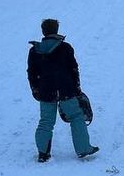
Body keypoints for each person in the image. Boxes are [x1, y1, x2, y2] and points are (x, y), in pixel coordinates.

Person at [27, 18, 99, 162]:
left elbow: (32, 73)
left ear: (43, 31)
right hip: (66, 89)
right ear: (56, 30)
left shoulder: (35, 50)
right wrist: (77, 88)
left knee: (46, 121)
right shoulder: (65, 48)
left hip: (45, 91)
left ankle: (43, 154)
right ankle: (83, 149)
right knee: (76, 117)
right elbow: (74, 69)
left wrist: (35, 89)